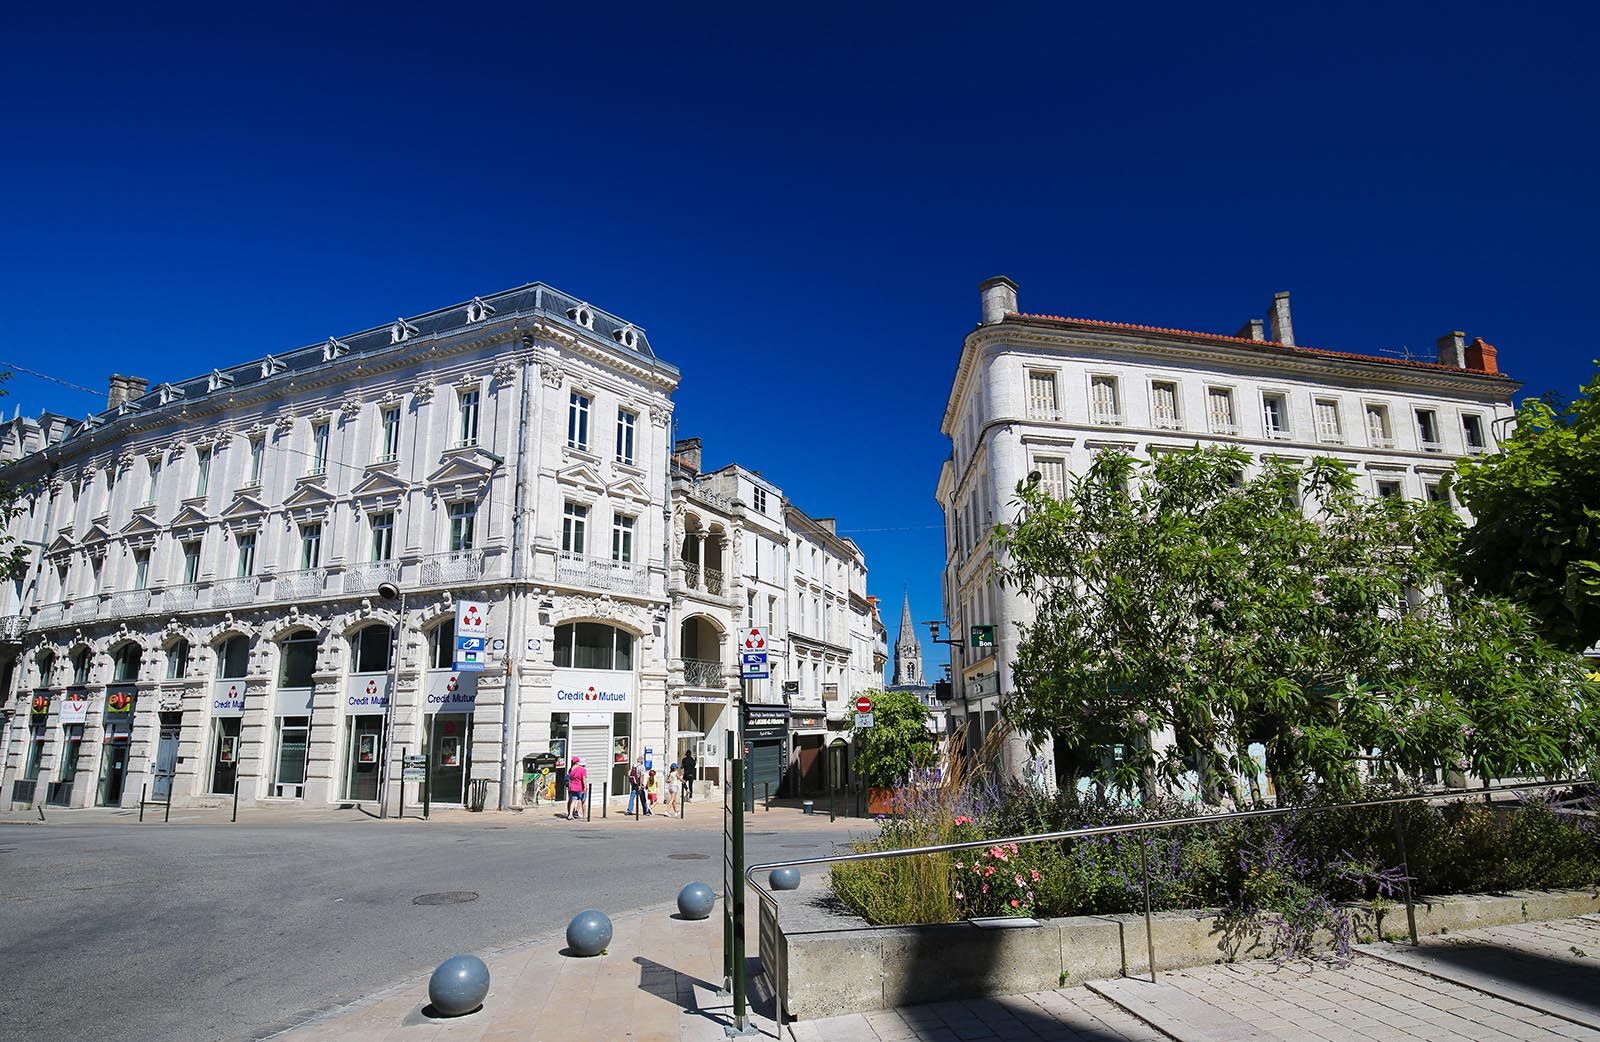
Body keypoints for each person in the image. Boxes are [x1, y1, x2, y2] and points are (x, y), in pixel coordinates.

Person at [566, 756, 588, 821]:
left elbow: (570, 779)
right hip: (580, 788)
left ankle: (570, 814)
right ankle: (584, 815)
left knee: (573, 801)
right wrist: (585, 787)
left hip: (573, 788)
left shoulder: (571, 770)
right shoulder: (583, 770)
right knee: (583, 801)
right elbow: (584, 779)